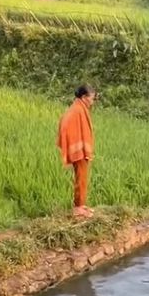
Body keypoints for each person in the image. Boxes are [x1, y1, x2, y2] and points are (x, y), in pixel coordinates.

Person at [58, 85, 97, 218]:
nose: (93, 101)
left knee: (82, 177)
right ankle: (78, 208)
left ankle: (81, 204)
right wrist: (73, 142)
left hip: (81, 148)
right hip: (79, 149)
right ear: (84, 97)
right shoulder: (76, 109)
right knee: (81, 178)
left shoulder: (80, 107)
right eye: (92, 98)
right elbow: (64, 124)